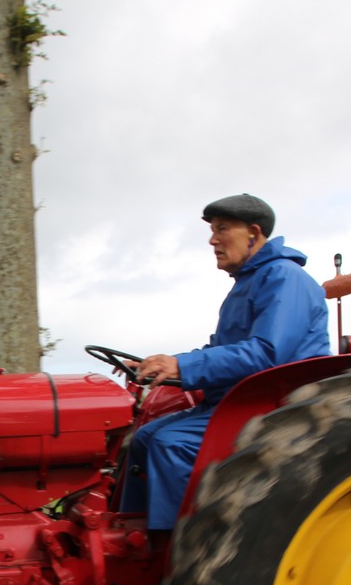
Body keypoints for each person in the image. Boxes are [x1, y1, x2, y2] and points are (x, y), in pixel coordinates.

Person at [119, 193, 330, 532]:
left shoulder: (284, 278)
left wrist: (182, 366)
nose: (212, 240)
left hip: (276, 404)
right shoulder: (249, 283)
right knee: (144, 437)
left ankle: (179, 547)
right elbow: (221, 350)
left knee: (171, 443)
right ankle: (126, 534)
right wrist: (159, 364)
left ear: (253, 233)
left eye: (222, 229)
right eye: (212, 230)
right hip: (237, 400)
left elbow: (267, 353)